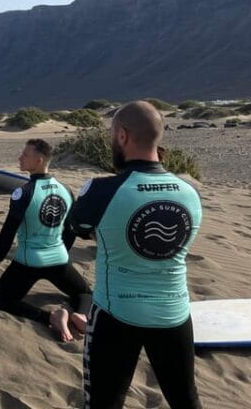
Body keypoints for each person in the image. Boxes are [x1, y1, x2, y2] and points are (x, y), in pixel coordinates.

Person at [67, 101, 203, 409]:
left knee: (103, 402)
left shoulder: (101, 190)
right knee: (186, 399)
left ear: (123, 136)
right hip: (174, 314)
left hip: (116, 314)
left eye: (112, 134)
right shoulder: (189, 190)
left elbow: (78, 226)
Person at [0, 139, 91, 341]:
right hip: (58, 260)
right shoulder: (65, 190)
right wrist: (63, 253)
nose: (20, 158)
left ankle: (50, 317)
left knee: (0, 299)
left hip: (28, 262)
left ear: (39, 160)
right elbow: (70, 230)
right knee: (85, 294)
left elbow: (8, 230)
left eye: (25, 155)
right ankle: (81, 316)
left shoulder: (23, 192)